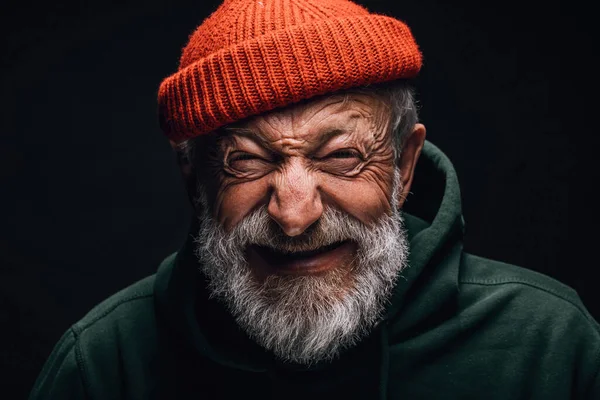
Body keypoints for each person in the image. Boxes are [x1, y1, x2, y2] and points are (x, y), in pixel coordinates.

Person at [30, 0, 599, 398]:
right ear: (194, 183)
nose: (295, 216)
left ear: (403, 168)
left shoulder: (548, 346)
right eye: (247, 160)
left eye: (343, 156)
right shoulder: (104, 365)